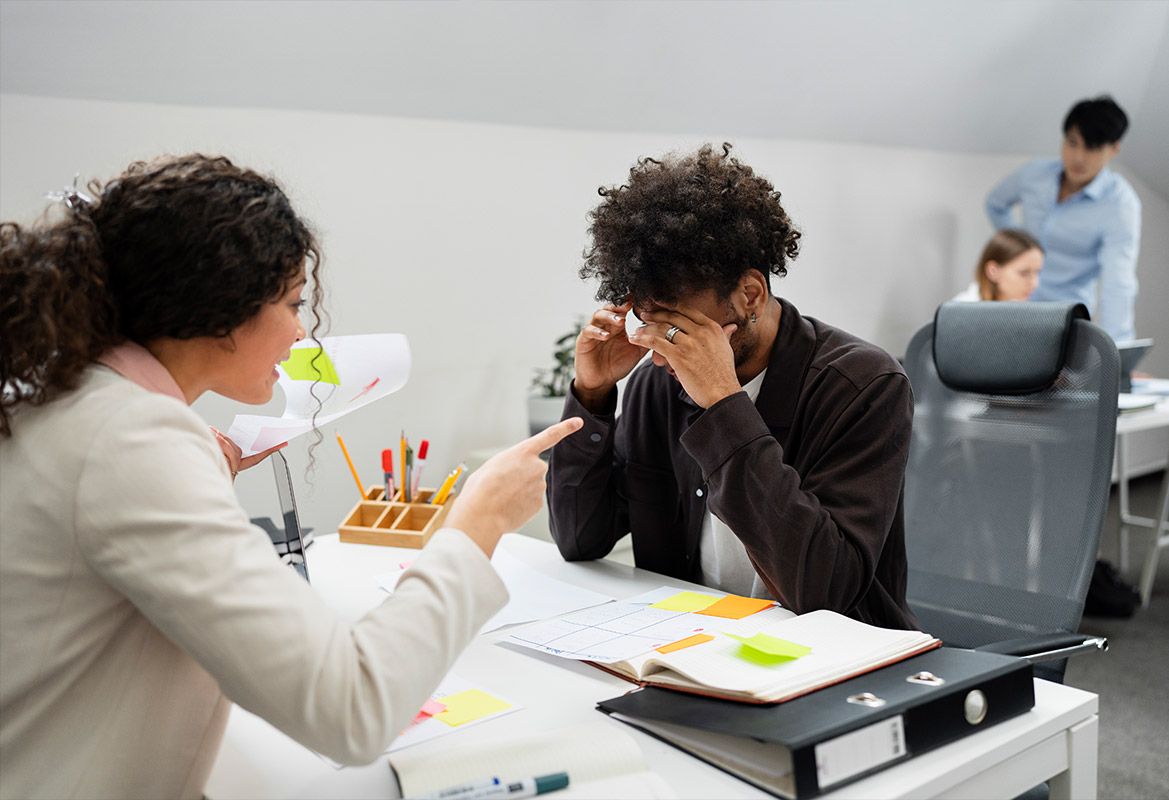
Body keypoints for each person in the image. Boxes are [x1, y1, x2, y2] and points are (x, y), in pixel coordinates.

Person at [0, 154, 582, 799]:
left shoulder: (71, 400)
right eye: (292, 302)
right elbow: (350, 710)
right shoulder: (132, 440)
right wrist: (479, 522)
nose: (301, 330)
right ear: (220, 305)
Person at [547, 143, 918, 630]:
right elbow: (579, 540)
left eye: (681, 329)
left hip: (831, 665)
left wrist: (724, 405)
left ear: (750, 295)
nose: (662, 354)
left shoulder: (863, 385)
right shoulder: (657, 385)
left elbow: (825, 592)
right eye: (651, 325)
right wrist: (592, 395)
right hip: (695, 648)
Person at [985, 95, 1141, 342]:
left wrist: (1118, 352)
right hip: (1014, 307)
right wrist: (1017, 252)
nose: (1078, 157)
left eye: (1092, 147)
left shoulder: (1120, 204)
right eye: (1072, 142)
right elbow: (995, 204)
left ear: (1114, 148)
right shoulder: (1034, 174)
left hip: (1066, 323)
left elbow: (1118, 283)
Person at [950, 229, 1044, 303]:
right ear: (993, 271)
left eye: (1037, 272)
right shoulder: (960, 313)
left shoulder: (1022, 313)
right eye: (1024, 273)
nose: (1035, 283)